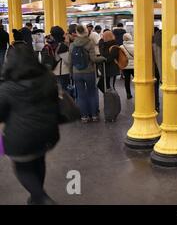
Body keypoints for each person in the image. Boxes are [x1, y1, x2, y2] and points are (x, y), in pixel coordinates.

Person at [0, 43, 60, 205]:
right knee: (38, 160)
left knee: (23, 167)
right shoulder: (47, 76)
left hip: (21, 137)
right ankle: (35, 198)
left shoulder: (7, 87)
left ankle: (41, 197)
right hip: (48, 131)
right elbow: (54, 100)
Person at [69, 25, 105, 123]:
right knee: (92, 93)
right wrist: (102, 58)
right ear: (86, 32)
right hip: (89, 72)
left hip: (77, 73)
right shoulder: (90, 43)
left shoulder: (72, 45)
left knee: (80, 95)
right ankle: (94, 116)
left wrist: (71, 73)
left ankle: (84, 116)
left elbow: (70, 61)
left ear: (77, 32)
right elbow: (93, 59)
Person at [49, 26, 71, 93]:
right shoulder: (62, 46)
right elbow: (68, 60)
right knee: (63, 93)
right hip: (62, 72)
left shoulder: (51, 44)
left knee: (57, 92)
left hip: (53, 71)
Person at [120, 33, 134, 99]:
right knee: (136, 81)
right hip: (134, 66)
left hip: (126, 66)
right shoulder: (135, 46)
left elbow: (120, 57)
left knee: (127, 81)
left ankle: (128, 94)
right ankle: (139, 92)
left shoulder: (121, 47)